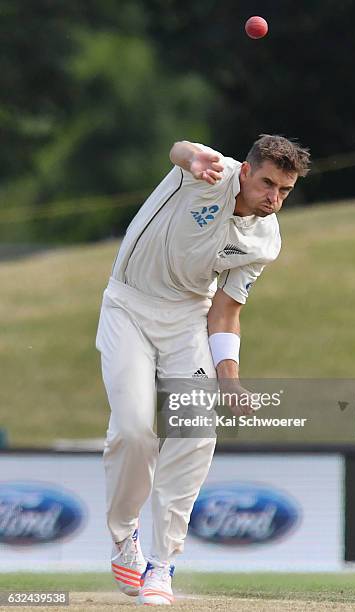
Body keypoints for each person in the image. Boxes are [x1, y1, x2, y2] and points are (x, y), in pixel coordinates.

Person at [96, 134, 310, 605]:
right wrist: (191, 159)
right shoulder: (209, 175)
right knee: (133, 432)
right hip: (128, 308)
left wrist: (229, 380)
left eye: (285, 191)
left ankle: (160, 564)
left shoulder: (264, 240)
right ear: (247, 171)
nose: (274, 199)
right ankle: (123, 538)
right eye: (268, 184)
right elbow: (179, 149)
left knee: (196, 432)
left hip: (189, 318)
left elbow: (227, 312)